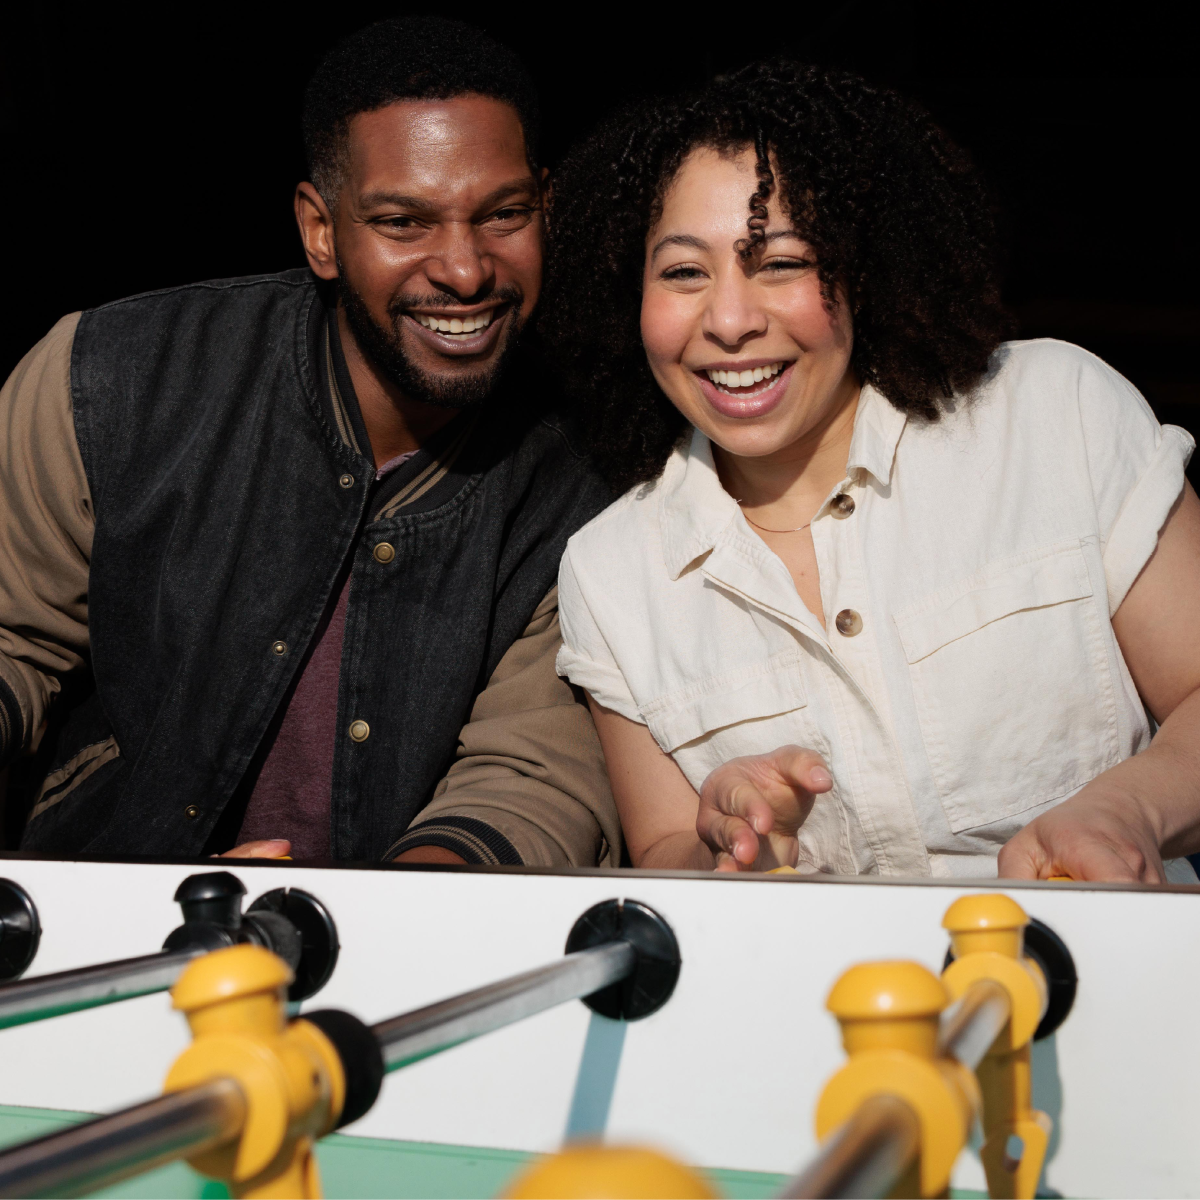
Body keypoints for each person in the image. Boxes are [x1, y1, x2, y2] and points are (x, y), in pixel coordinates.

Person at [542, 60, 1200, 883]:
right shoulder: (609, 572)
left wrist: (1125, 810)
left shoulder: (1056, 412)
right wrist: (727, 847)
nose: (731, 320)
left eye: (781, 262)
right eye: (683, 272)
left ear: (865, 268)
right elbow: (665, 849)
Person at [0, 17, 620, 868]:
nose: (466, 269)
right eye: (404, 222)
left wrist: (365, 922)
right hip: (102, 915)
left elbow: (529, 775)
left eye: (504, 214)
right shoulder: (110, 376)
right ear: (321, 231)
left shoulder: (585, 479)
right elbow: (12, 639)